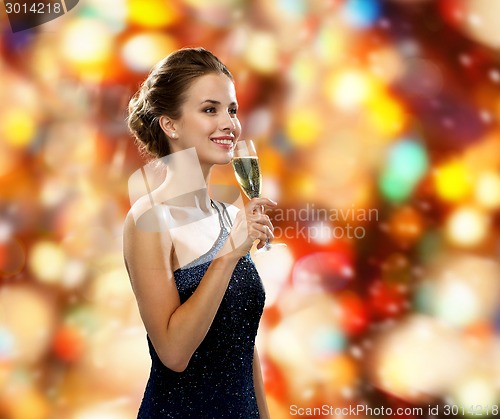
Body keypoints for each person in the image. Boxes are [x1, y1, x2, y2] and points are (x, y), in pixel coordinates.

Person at [123, 47, 275, 418]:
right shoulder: (148, 219)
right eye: (210, 110)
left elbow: (241, 342)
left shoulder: (228, 217)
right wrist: (228, 255)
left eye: (232, 110)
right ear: (170, 125)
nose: (229, 123)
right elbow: (173, 354)